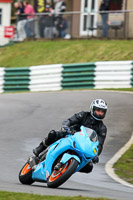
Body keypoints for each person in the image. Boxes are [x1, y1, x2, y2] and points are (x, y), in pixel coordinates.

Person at [32, 99, 108, 173]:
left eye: (102, 111)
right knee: (53, 134)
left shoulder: (102, 128)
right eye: (98, 110)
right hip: (71, 134)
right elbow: (69, 121)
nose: (100, 113)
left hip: (84, 146)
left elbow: (99, 145)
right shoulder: (83, 115)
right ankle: (39, 150)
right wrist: (65, 127)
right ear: (92, 109)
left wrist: (96, 155)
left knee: (89, 167)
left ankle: (69, 168)